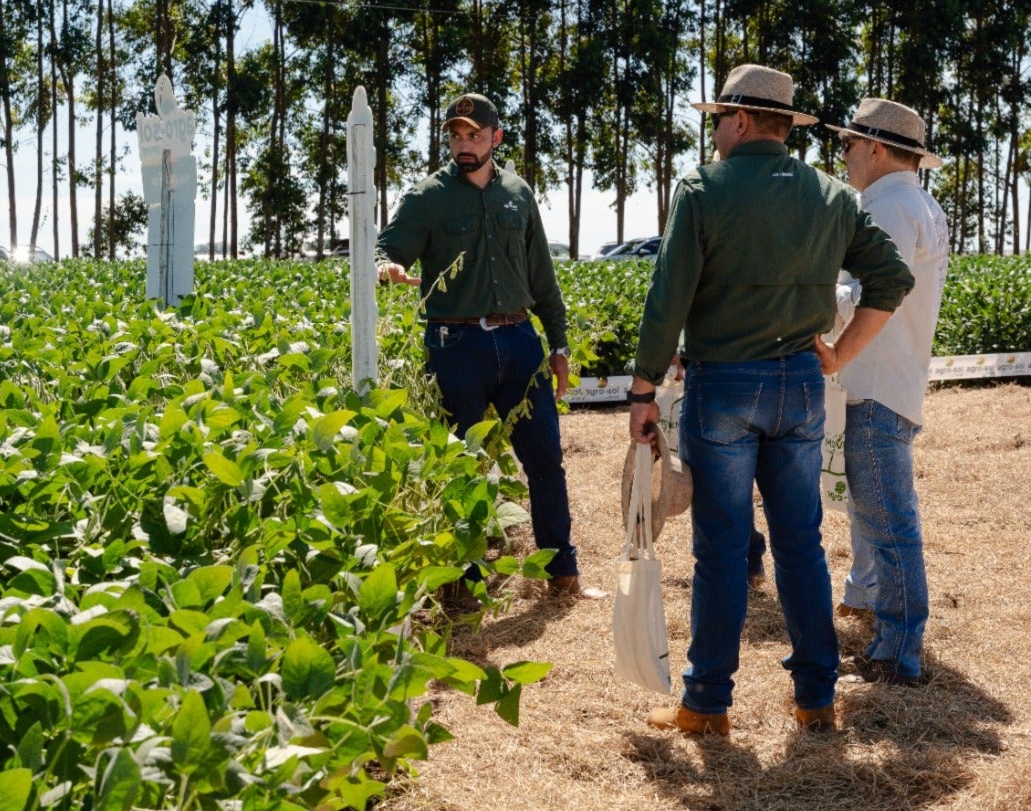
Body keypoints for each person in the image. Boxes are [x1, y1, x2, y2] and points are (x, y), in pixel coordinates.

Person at [627, 64, 915, 735]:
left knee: (723, 550)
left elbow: (668, 296)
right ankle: (816, 697)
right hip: (802, 386)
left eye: (719, 120)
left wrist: (643, 389)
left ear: (742, 119)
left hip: (724, 385)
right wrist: (839, 353)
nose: (715, 132)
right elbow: (892, 278)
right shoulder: (830, 195)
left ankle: (707, 703)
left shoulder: (703, 187)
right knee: (801, 544)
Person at [375, 92, 604, 601]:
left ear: (496, 138)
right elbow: (385, 247)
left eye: (475, 135)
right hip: (454, 346)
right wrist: (385, 266)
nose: (465, 145)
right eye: (456, 136)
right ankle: (466, 586)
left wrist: (559, 344)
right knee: (460, 464)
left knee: (545, 458)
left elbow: (542, 277)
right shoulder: (428, 197)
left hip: (520, 340)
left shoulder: (518, 194)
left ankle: (562, 574)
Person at [822, 98, 949, 686]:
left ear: (874, 147)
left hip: (873, 383)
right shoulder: (920, 203)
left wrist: (813, 301)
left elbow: (870, 295)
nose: (843, 154)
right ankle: (889, 630)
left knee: (889, 522)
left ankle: (898, 650)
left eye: (847, 143)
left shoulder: (889, 207)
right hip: (894, 380)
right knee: (884, 516)